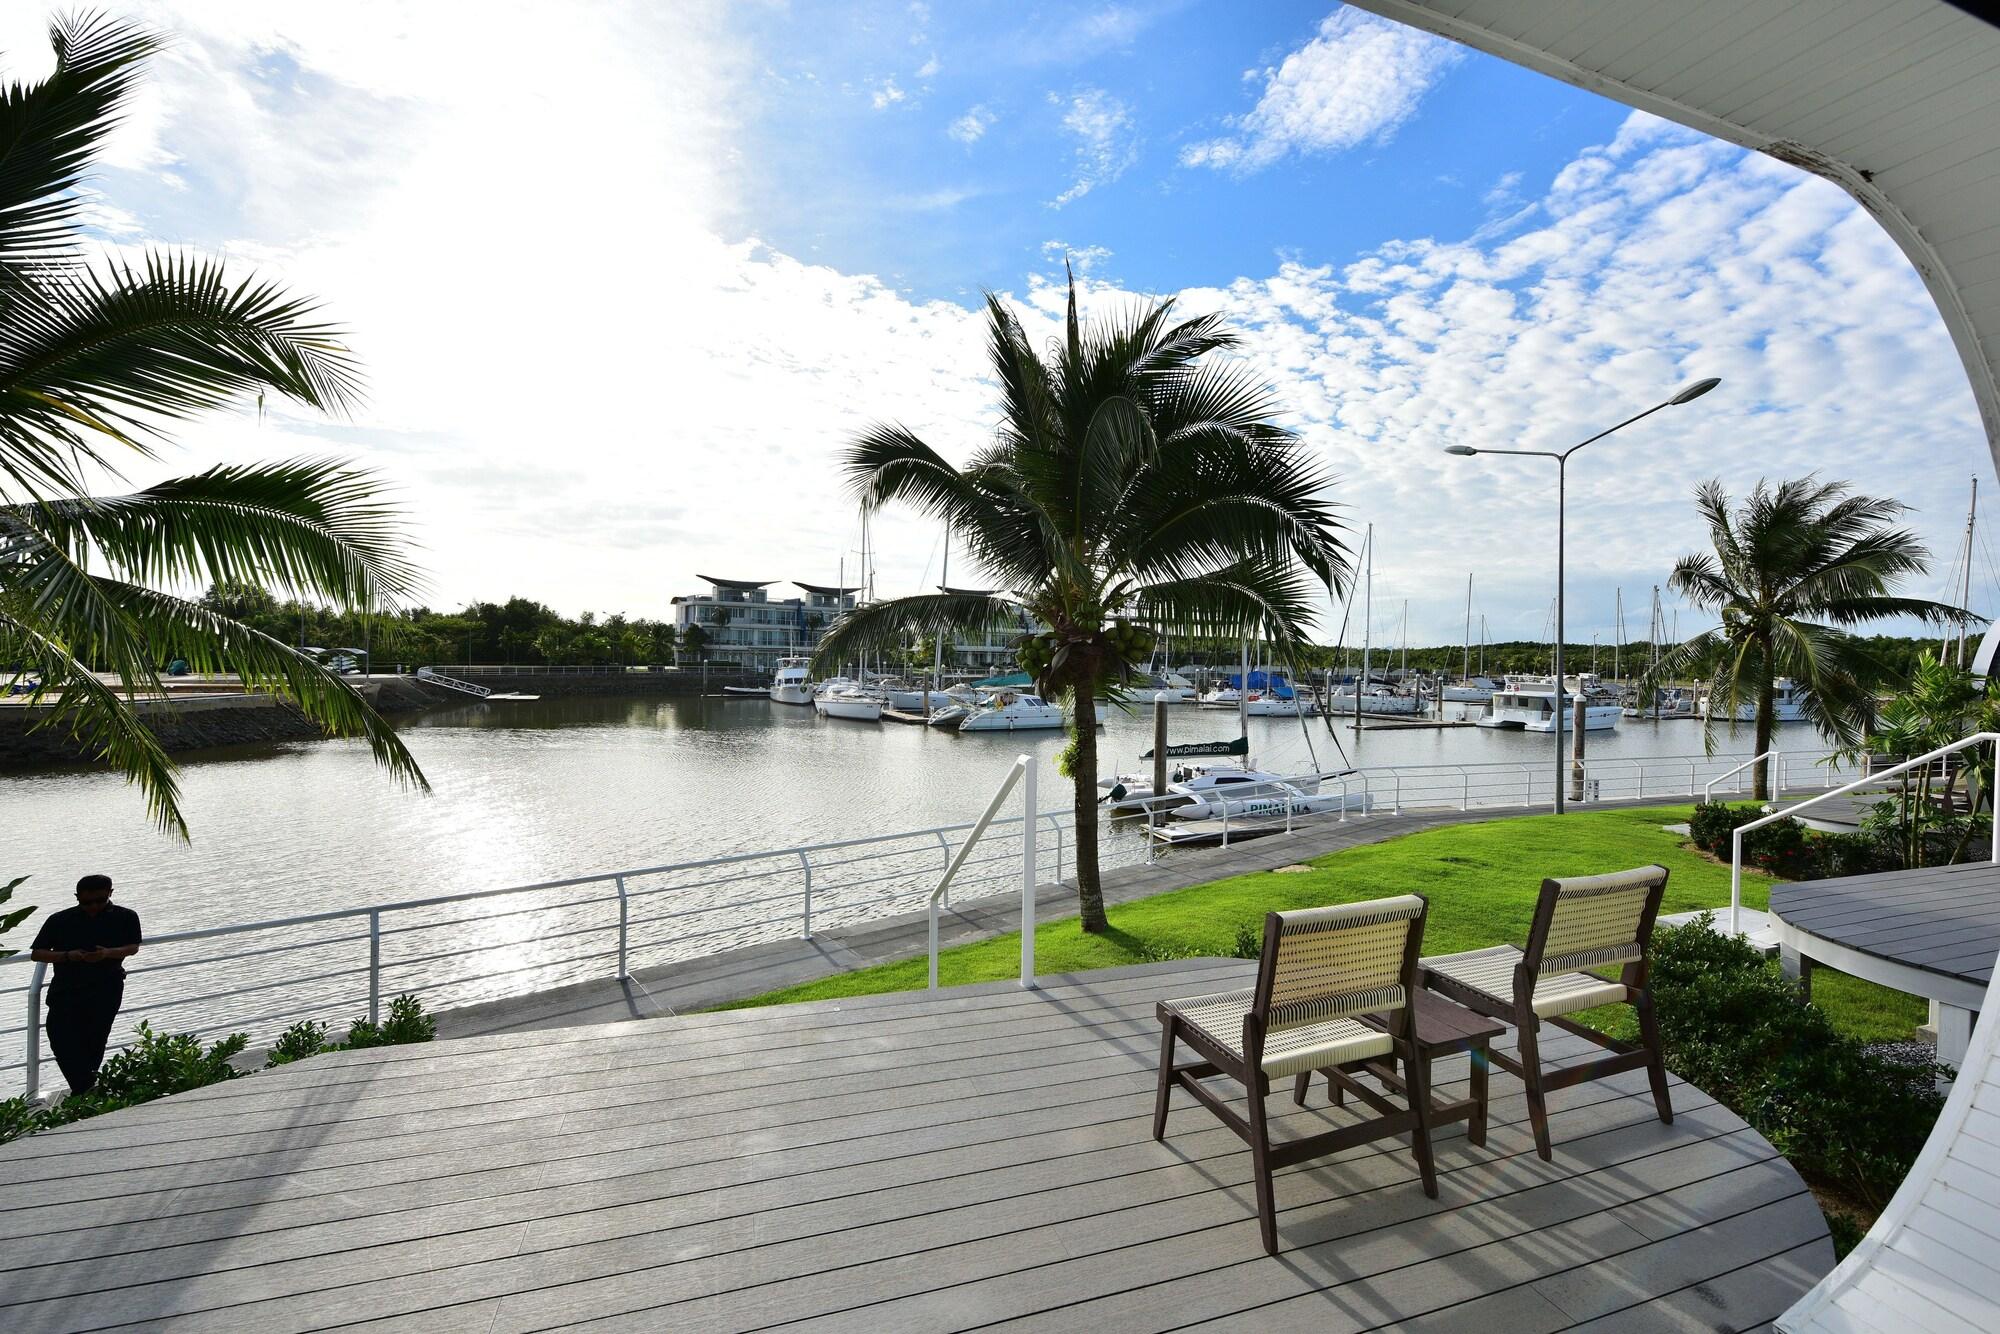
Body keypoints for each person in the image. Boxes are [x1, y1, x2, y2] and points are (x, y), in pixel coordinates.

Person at [28, 875, 142, 1097]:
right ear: (77, 897)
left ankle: (84, 1091)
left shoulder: (126, 916)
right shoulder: (60, 920)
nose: (94, 907)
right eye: (87, 902)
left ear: (110, 893)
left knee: (95, 1040)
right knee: (59, 1037)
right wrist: (69, 956)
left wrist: (107, 953)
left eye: (100, 900)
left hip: (106, 988)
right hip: (66, 989)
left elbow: (132, 947)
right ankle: (87, 1089)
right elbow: (37, 953)